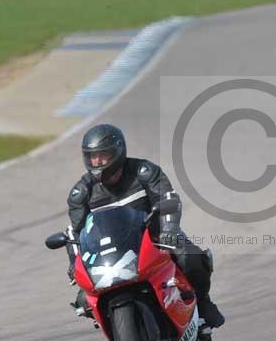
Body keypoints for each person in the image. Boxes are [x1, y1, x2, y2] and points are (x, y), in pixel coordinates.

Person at [65, 123, 225, 327]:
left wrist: (169, 231)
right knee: (83, 300)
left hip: (155, 237)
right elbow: (77, 232)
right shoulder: (81, 192)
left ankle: (203, 302)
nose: (97, 162)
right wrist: (74, 262)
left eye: (102, 156)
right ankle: (119, 328)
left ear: (117, 152)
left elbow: (168, 199)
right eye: (92, 156)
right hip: (110, 251)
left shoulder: (144, 172)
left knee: (190, 258)